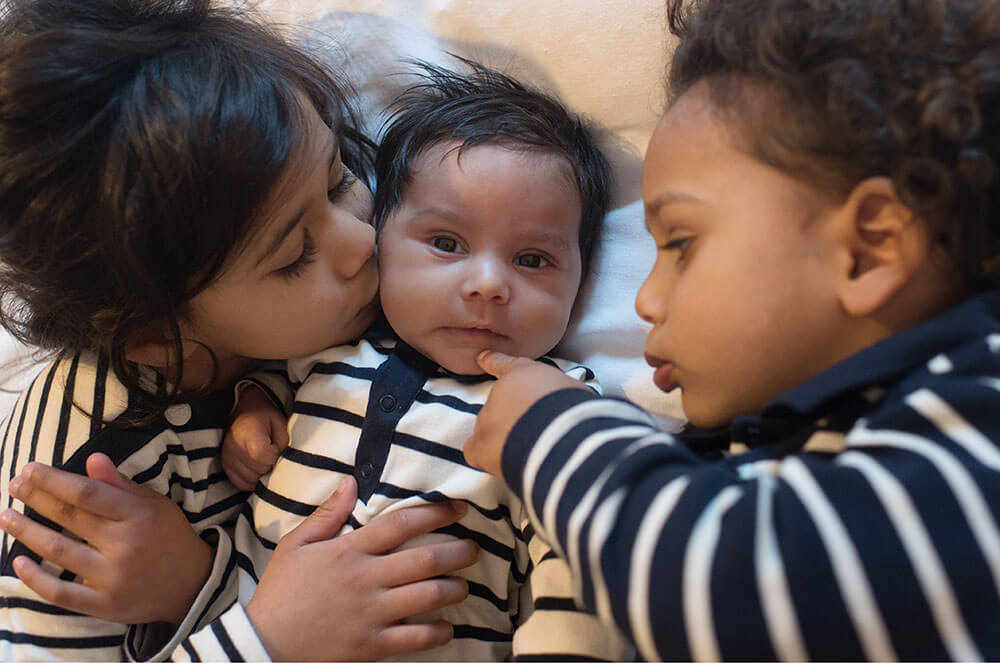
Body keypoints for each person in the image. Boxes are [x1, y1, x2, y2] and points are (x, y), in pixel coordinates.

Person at [463, 0, 1000, 660]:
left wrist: (549, 431)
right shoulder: (763, 441)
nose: (645, 300)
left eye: (682, 243)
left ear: (870, 248)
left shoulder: (977, 408)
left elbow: (736, 593)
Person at [0, 0, 480, 660]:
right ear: (149, 329)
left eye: (339, 179)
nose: (361, 241)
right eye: (294, 257)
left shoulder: (295, 329)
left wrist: (202, 582)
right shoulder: (80, 469)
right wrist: (265, 634)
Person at [220, 60, 632, 660]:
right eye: (446, 244)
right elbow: (266, 375)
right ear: (380, 236)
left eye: (533, 260)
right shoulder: (326, 347)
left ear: (582, 277)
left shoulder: (552, 405)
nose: (488, 284)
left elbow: (576, 558)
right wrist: (253, 406)